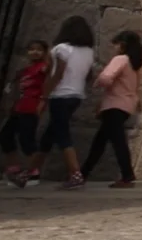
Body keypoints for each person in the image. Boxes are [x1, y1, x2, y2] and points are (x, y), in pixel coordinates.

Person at [31, 16, 96, 190]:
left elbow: (57, 74)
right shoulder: (89, 52)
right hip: (76, 95)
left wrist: (44, 97)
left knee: (62, 135)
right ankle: (28, 171)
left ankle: (75, 173)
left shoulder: (61, 49)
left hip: (60, 95)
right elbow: (89, 75)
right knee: (50, 135)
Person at [81, 30, 142, 188]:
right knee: (101, 141)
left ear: (122, 45)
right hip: (125, 105)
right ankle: (83, 173)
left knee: (116, 142)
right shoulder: (134, 64)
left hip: (114, 105)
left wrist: (96, 83)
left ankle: (127, 175)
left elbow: (106, 78)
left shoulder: (120, 59)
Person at [0, 40, 49, 188]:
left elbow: (50, 75)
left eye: (39, 49)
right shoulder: (25, 70)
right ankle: (14, 168)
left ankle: (33, 171)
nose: (35, 52)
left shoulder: (42, 68)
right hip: (18, 108)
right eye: (31, 49)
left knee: (27, 141)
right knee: (5, 136)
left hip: (30, 108)